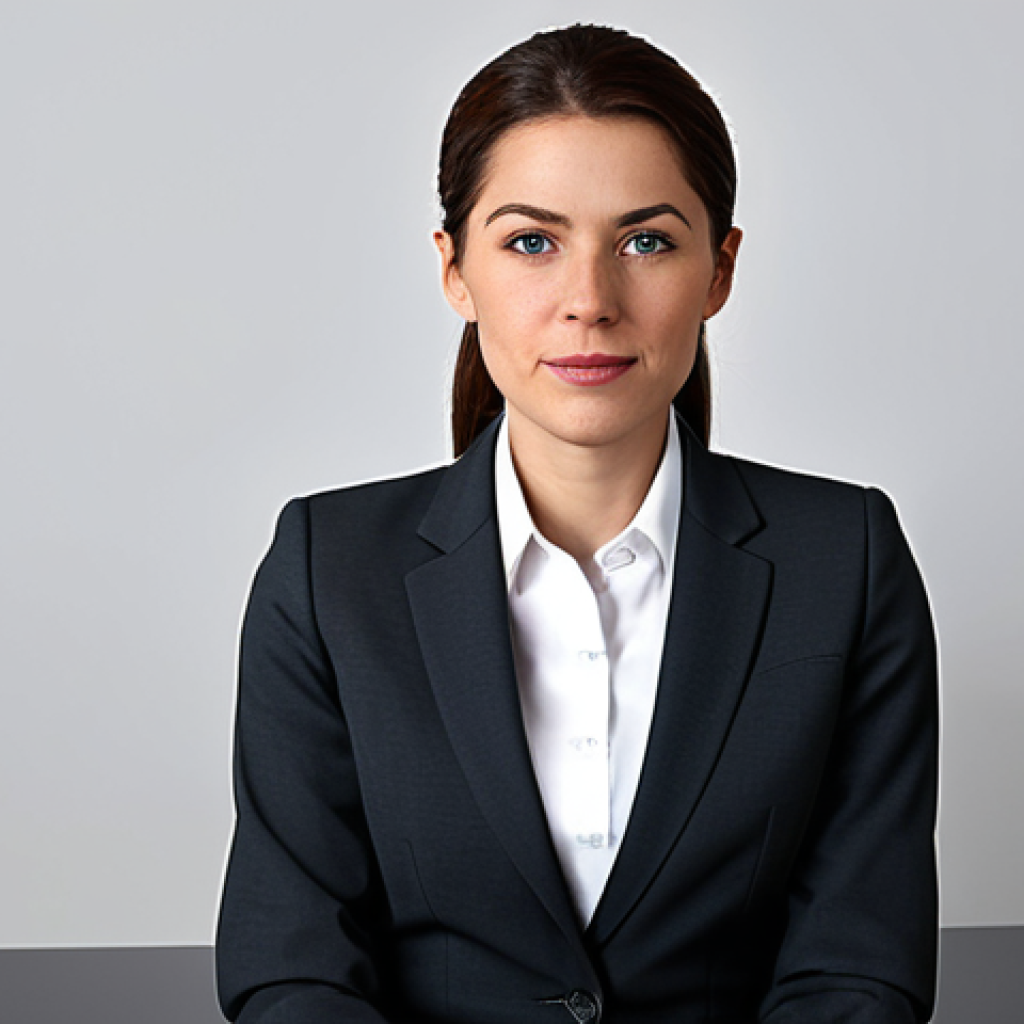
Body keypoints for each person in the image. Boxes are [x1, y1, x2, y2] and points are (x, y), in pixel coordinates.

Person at [214, 23, 939, 1024]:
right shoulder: (327, 571)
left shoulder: (844, 561)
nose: (589, 301)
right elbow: (291, 962)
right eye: (530, 242)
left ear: (719, 270)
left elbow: (858, 964)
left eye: (646, 240)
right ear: (454, 270)